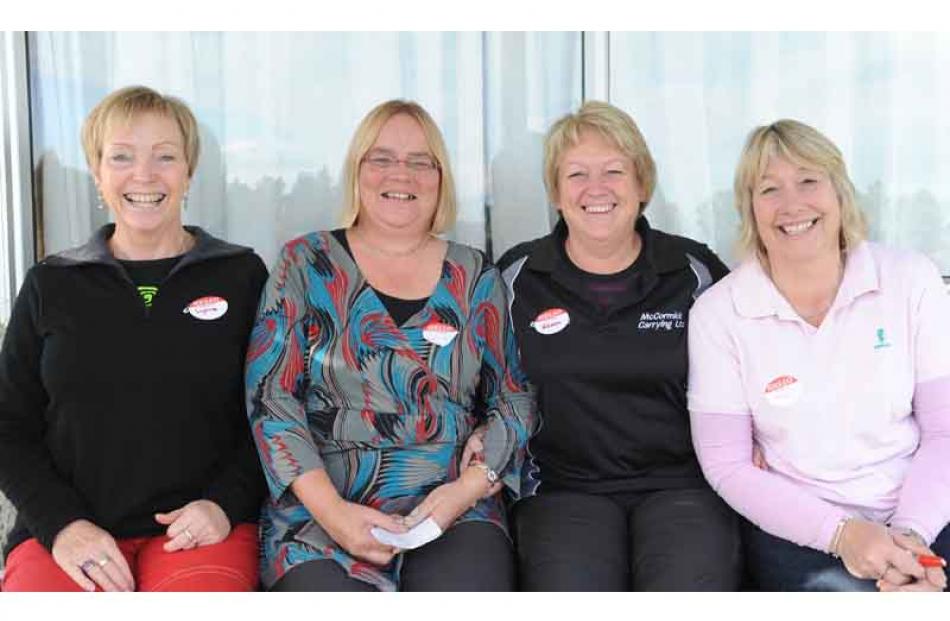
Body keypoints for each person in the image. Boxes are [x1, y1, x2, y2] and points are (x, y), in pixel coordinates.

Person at [244, 99, 535, 592]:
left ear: (440, 179)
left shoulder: (474, 274)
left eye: (421, 161)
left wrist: (466, 491)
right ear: (357, 173)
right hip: (320, 513)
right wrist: (333, 513)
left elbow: (514, 396)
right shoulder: (304, 263)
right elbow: (271, 400)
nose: (401, 174)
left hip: (449, 509)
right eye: (381, 158)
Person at [0, 86, 267, 592]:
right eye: (121, 156)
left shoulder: (241, 275)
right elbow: (8, 425)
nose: (144, 175)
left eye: (165, 156)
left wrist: (225, 504)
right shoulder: (50, 284)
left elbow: (273, 410)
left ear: (189, 172)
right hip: (70, 534)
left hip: (201, 531)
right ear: (98, 174)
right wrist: (62, 526)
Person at [688, 119, 950, 592]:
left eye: (809, 180)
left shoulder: (911, 280)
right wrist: (844, 535)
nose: (792, 205)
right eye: (769, 189)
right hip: (804, 532)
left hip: (927, 512)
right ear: (749, 208)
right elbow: (727, 465)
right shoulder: (719, 313)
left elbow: (945, 430)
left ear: (840, 193)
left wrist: (911, 537)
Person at [495, 101, 742, 591]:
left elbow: (751, 363)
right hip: (561, 490)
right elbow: (484, 380)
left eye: (614, 171)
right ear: (556, 192)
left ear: (642, 185)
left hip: (684, 486)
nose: (596, 189)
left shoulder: (691, 269)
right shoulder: (518, 275)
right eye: (577, 174)